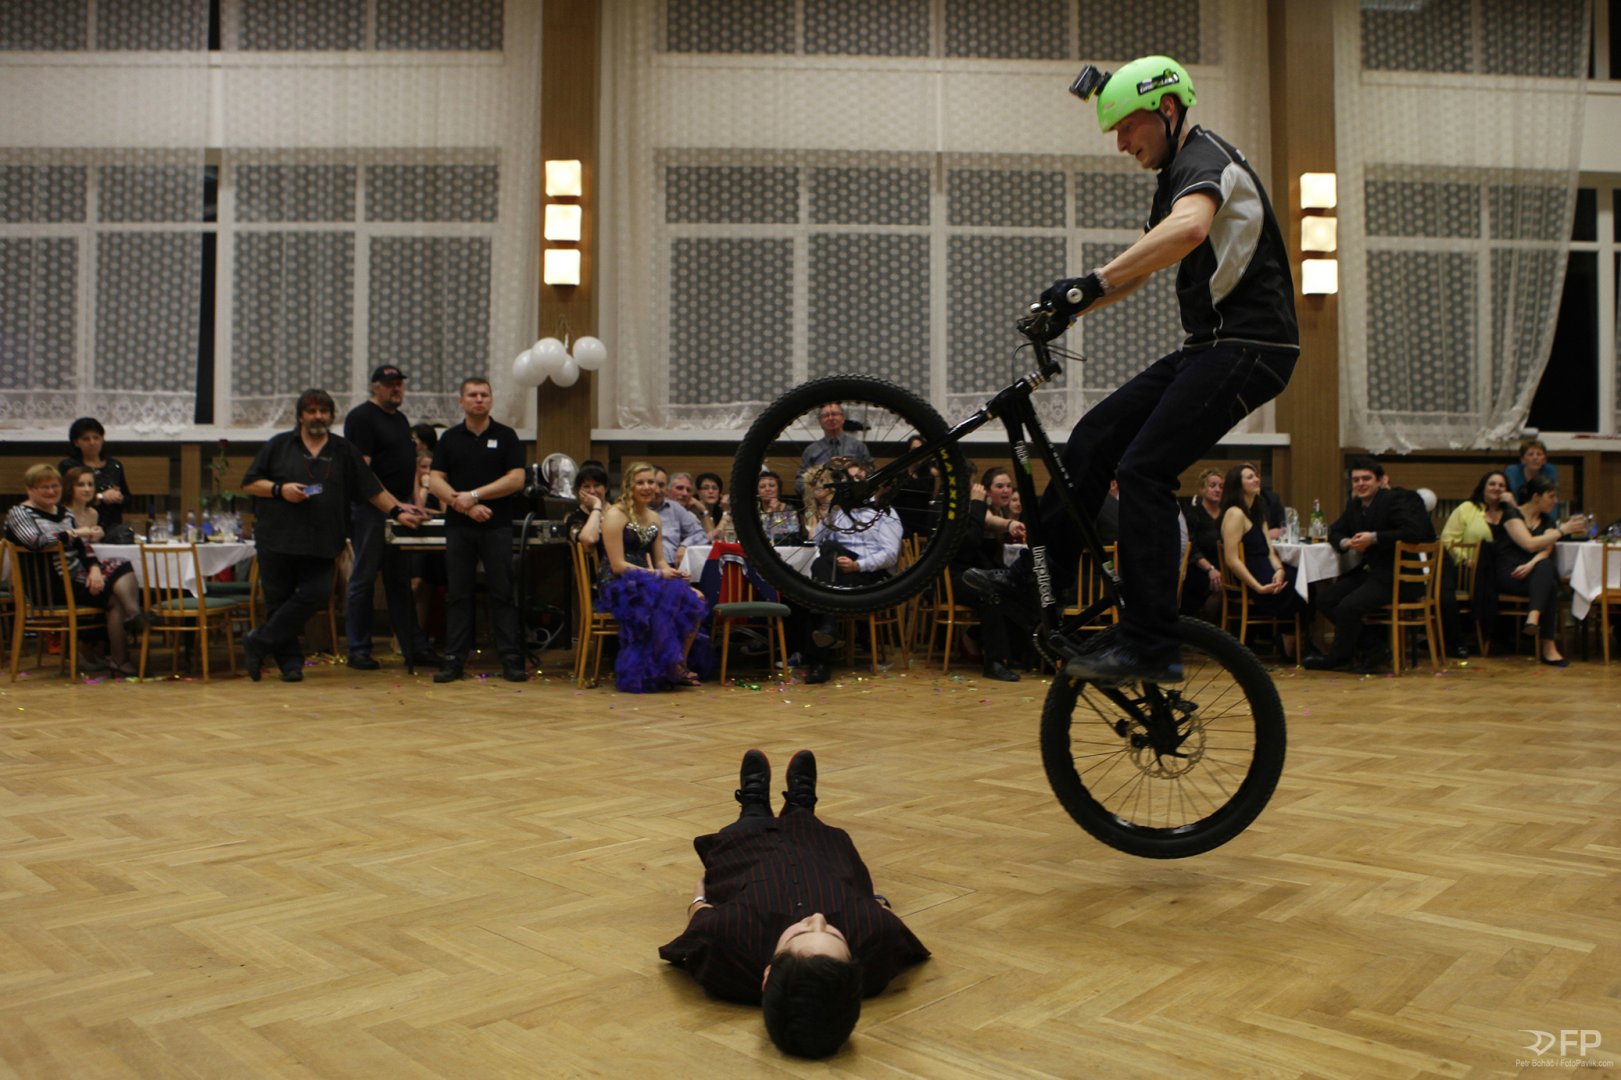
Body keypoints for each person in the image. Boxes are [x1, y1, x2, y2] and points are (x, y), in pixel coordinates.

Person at [978, 55, 1298, 685]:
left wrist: (1091, 283)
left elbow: (1189, 230)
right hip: (1212, 346)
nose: (1121, 143)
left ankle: (1152, 642)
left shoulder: (1205, 158)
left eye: (1126, 127)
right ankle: (1036, 580)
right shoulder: (1176, 174)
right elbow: (1144, 267)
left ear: (1167, 109)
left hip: (1253, 346)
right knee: (1094, 436)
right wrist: (1072, 305)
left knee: (1144, 470)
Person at [659, 749, 929, 1059]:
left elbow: (700, 922)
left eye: (800, 933)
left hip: (750, 858)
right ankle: (800, 808)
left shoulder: (726, 943)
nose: (817, 918)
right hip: (820, 857)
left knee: (745, 831)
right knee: (811, 830)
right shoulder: (876, 940)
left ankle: (753, 806)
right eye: (835, 934)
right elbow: (886, 921)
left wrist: (697, 900)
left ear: (767, 975)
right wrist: (876, 899)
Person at [241, 390, 424, 683]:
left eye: (324, 412)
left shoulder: (343, 450)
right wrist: (280, 489)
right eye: (312, 411)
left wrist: (397, 511)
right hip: (277, 538)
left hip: (323, 540)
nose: (318, 417)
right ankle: (290, 664)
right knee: (278, 601)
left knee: (317, 593)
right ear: (300, 416)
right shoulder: (278, 445)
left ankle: (259, 641)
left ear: (331, 416)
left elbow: (371, 488)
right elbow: (250, 484)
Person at [427, 378, 528, 683]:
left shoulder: (507, 436)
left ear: (491, 400)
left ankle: (511, 660)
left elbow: (516, 480)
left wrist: (474, 495)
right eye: (472, 395)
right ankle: (454, 661)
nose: (479, 399)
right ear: (462, 401)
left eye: (484, 394)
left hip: (497, 527)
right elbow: (435, 481)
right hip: (459, 527)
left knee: (502, 593)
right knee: (458, 594)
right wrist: (466, 505)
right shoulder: (449, 438)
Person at [341, 365, 439, 671]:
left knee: (400, 581)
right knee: (364, 579)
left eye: (399, 384)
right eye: (389, 384)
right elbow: (363, 472)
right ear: (375, 387)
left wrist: (415, 502)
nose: (396, 388)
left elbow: (408, 466)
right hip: (371, 510)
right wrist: (394, 505)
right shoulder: (361, 417)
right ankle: (358, 650)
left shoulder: (400, 420)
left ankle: (414, 647)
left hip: (400, 509)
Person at [5, 463, 147, 676]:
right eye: (44, 487)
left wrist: (94, 569)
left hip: (74, 578)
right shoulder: (19, 513)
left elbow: (83, 547)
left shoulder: (64, 513)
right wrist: (71, 534)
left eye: (55, 486)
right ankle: (132, 620)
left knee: (119, 576)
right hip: (48, 586)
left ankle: (124, 645)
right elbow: (35, 541)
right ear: (30, 490)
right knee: (115, 591)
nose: (51, 491)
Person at [1301, 458, 1434, 674]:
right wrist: (1345, 542)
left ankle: (1340, 657)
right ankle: (1374, 648)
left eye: (1366, 479)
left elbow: (1414, 532)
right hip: (1372, 574)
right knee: (1325, 600)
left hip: (1399, 576)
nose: (1361, 484)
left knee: (1348, 607)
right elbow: (1334, 530)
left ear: (1380, 481)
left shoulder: (1395, 499)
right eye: (1356, 480)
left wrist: (1373, 538)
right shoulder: (1354, 505)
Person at [595, 461, 707, 692]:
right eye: (640, 483)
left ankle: (678, 664)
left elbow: (660, 561)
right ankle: (659, 669)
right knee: (658, 601)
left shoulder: (654, 517)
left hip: (647, 578)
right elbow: (617, 565)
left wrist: (673, 573)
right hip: (618, 583)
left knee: (697, 598)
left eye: (651, 482)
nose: (647, 487)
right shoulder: (615, 514)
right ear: (629, 485)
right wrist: (659, 574)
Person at [800, 462, 904, 685]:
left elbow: (890, 555)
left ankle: (818, 660)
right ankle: (827, 630)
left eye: (861, 479)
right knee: (823, 563)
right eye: (852, 479)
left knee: (820, 582)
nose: (856, 484)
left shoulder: (884, 512)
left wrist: (859, 565)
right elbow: (816, 541)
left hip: (871, 575)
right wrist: (829, 512)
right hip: (838, 571)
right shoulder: (839, 512)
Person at [1487, 474, 1587, 667]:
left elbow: (1546, 550)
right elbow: (1529, 543)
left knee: (1545, 569)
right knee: (1549, 584)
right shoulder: (1512, 515)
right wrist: (1563, 531)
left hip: (1532, 573)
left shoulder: (1547, 521)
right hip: (1510, 573)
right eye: (1551, 496)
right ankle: (1548, 647)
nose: (1555, 501)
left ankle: (1533, 617)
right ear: (1536, 497)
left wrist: (1531, 564)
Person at [944, 464, 1029, 683]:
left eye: (1008, 486)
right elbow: (972, 539)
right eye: (1000, 486)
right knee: (991, 594)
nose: (1006, 490)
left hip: (980, 574)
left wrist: (1010, 524)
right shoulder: (960, 508)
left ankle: (1015, 653)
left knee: (1018, 591)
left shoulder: (995, 510)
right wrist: (977, 504)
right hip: (958, 578)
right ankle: (994, 662)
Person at [1218, 463, 1307, 661]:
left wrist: (1279, 569)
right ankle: (1291, 641)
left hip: (1265, 569)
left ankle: (1291, 640)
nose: (1257, 479)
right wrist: (1257, 587)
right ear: (1238, 485)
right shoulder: (1235, 513)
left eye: (1256, 476)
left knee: (1303, 579)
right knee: (1300, 587)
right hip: (1250, 576)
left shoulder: (1258, 513)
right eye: (1250, 477)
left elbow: (1270, 552)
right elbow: (1232, 560)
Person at [1436, 470, 1510, 659]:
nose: (1497, 488)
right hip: (1469, 570)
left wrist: (1514, 505)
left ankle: (1502, 636)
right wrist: (1465, 560)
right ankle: (1478, 635)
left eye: (1501, 485)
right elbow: (1447, 540)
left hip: (1502, 570)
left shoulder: (1511, 513)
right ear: (1483, 487)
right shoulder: (1467, 509)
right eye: (1492, 484)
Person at [58, 417, 133, 536]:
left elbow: (128, 499)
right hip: (81, 526)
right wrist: (101, 497)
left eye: (96, 437)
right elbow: (65, 498)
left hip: (113, 527)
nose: (92, 442)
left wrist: (118, 497)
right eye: (86, 439)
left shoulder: (115, 465)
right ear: (76, 442)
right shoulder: (69, 466)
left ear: (102, 439)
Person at [1181, 468, 1225, 620]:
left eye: (1221, 486)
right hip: (1200, 567)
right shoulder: (1193, 514)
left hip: (1225, 566)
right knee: (1215, 584)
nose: (1217, 490)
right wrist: (1210, 569)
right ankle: (1203, 624)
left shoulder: (1228, 514)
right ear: (1202, 489)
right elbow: (1191, 548)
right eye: (1213, 486)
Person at [796, 402, 872, 490]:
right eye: (825, 415)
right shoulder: (811, 450)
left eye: (835, 414)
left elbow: (871, 473)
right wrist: (813, 489)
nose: (831, 418)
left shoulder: (858, 447)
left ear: (843, 418)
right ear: (820, 421)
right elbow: (799, 482)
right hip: (821, 495)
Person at [651, 467, 709, 567]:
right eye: (653, 484)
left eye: (661, 485)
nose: (657, 490)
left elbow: (700, 534)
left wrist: (684, 546)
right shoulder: (632, 510)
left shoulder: (675, 508)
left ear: (666, 489)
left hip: (671, 566)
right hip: (640, 566)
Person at [1505, 438, 1559, 515]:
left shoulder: (1549, 470)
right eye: (1530, 454)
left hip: (1541, 515)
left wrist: (1550, 521)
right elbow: (1512, 498)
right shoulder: (1513, 472)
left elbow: (1550, 499)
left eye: (1539, 454)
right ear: (1522, 459)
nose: (1535, 458)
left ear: (1544, 459)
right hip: (1517, 513)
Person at [564, 462, 610, 546]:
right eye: (586, 486)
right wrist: (597, 506)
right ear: (579, 490)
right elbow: (589, 539)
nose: (592, 491)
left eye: (597, 485)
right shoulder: (574, 517)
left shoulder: (619, 510)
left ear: (606, 488)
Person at [757, 471, 805, 546]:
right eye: (762, 487)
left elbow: (787, 538)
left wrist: (776, 513)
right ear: (758, 492)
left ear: (778, 490)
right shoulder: (755, 512)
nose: (767, 489)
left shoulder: (790, 510)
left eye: (772, 485)